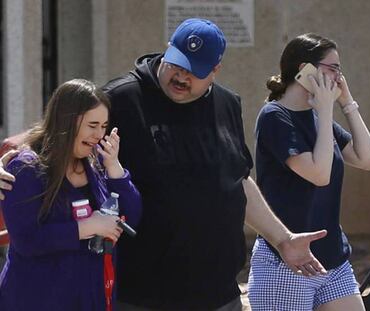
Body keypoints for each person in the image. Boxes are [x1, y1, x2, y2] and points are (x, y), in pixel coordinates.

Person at [0, 19, 325, 311]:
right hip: (144, 295)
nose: (181, 75)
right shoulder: (123, 98)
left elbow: (238, 179)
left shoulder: (227, 104)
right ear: (168, 50)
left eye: (194, 70)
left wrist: (282, 239)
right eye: (177, 63)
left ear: (215, 70)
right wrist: (12, 155)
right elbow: (66, 130)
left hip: (218, 294)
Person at [247, 33, 370, 311]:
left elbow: (368, 159)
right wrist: (327, 108)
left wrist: (347, 102)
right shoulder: (274, 117)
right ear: (304, 70)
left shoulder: (319, 117)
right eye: (333, 68)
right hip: (288, 263)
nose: (338, 76)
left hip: (333, 263)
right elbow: (319, 175)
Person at [0, 79, 142, 311]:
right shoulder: (24, 168)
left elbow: (130, 217)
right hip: (35, 299)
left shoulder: (95, 162)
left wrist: (115, 167)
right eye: (92, 125)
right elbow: (26, 239)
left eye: (104, 126)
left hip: (89, 298)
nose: (99, 134)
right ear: (66, 121)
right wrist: (87, 226)